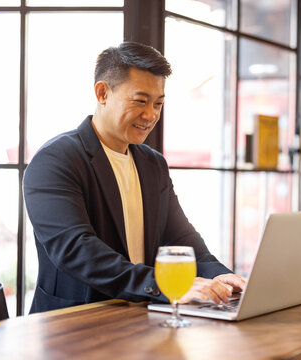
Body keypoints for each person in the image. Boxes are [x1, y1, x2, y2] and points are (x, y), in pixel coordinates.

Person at [23, 42, 245, 314]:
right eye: (140, 101)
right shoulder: (56, 159)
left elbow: (180, 238)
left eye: (158, 103)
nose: (151, 115)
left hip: (143, 316)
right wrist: (163, 285)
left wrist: (219, 276)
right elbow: (77, 250)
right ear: (103, 93)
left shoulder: (153, 163)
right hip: (75, 322)